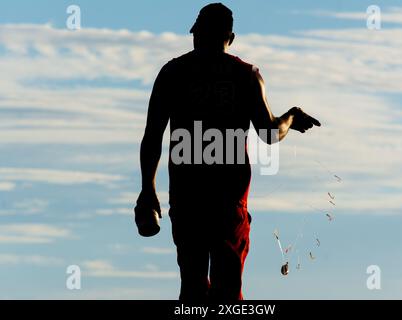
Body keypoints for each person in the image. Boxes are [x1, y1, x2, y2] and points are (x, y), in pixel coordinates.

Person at [135, 3, 321, 301]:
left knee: (192, 288)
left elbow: (152, 136)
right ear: (230, 38)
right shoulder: (245, 75)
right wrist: (291, 118)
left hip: (188, 201)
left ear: (195, 34)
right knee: (228, 292)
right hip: (228, 203)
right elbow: (270, 132)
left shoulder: (173, 73)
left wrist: (147, 190)